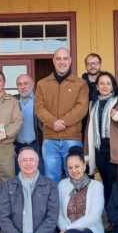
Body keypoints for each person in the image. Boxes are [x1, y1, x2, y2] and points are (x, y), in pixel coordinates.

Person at [85, 71, 118, 206]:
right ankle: (112, 219)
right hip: (99, 152)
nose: (105, 86)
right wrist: (86, 153)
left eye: (108, 83)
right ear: (97, 86)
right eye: (101, 83)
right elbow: (88, 130)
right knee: (107, 186)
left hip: (117, 153)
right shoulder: (93, 104)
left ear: (113, 86)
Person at [35, 48, 89, 182]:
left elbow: (81, 108)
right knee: (51, 177)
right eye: (58, 59)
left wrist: (63, 122)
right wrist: (53, 122)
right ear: (53, 61)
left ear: (70, 61)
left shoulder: (80, 84)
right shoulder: (42, 84)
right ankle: (55, 204)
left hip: (72, 137)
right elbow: (38, 107)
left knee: (75, 176)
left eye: (65, 58)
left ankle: (74, 204)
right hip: (50, 139)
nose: (62, 62)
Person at [14, 74, 42, 174]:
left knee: (38, 176)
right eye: (19, 84)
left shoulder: (40, 101)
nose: (23, 87)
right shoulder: (12, 101)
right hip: (17, 146)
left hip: (36, 144)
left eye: (26, 83)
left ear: (32, 85)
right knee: (19, 177)